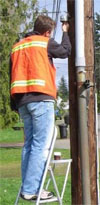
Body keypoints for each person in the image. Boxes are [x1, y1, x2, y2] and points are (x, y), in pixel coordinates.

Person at [10, 15, 71, 201]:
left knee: (29, 146)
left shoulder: (18, 46)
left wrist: (14, 104)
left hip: (22, 101)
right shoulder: (44, 42)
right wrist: (66, 32)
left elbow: (9, 75)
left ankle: (28, 186)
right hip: (41, 98)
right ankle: (30, 189)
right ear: (47, 32)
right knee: (41, 146)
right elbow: (65, 51)